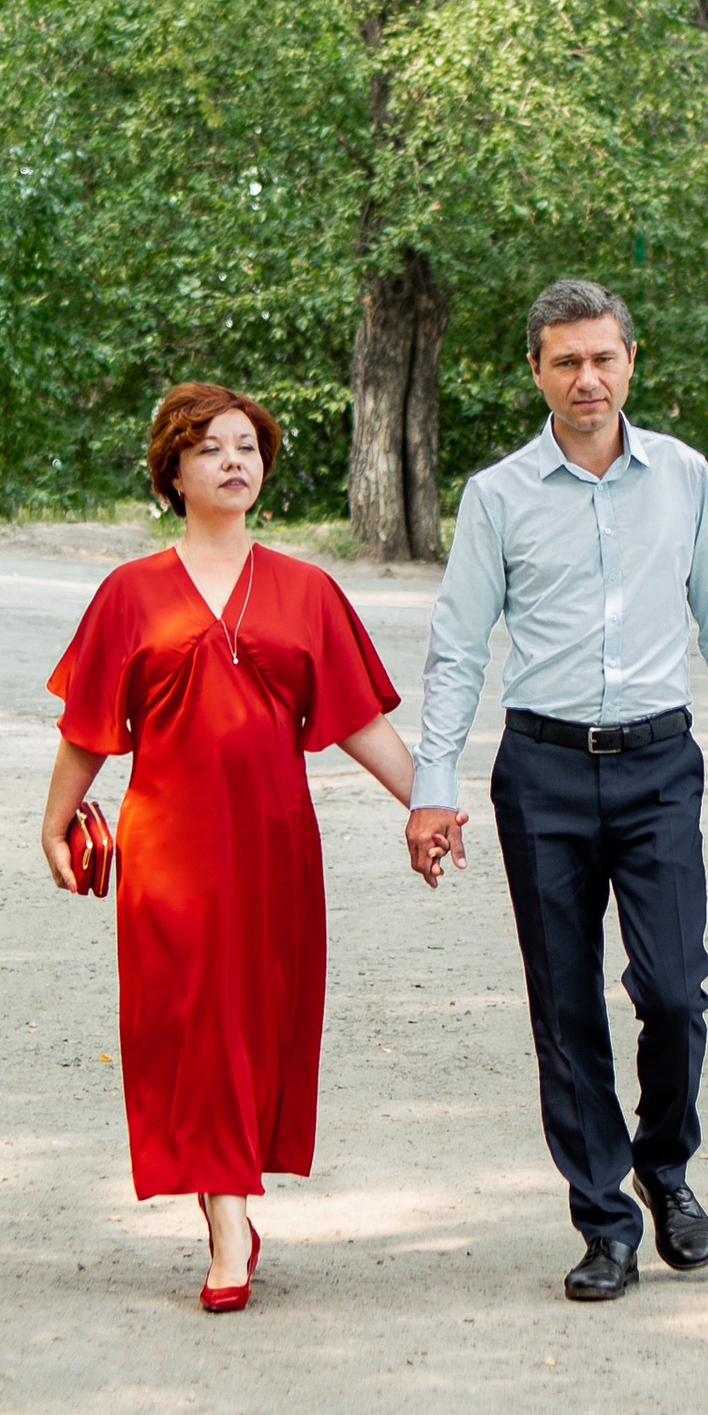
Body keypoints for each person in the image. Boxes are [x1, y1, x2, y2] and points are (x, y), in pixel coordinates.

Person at [405, 280, 708, 1301]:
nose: (587, 378)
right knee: (564, 1005)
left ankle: (665, 1167)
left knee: (672, 992)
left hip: (660, 765)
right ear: (535, 370)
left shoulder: (684, 478)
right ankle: (605, 1219)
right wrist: (430, 787)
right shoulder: (497, 496)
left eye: (603, 357)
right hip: (542, 774)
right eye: (565, 360)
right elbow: (455, 651)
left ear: (630, 360)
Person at [41, 381, 424, 1310]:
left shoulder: (308, 589)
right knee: (195, 1022)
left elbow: (356, 720)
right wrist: (55, 818)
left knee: (256, 1018)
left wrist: (431, 803)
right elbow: (91, 726)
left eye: (248, 446)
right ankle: (223, 1225)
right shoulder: (129, 593)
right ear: (173, 469)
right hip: (168, 846)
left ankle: (235, 1196)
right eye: (211, 447)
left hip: (273, 844)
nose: (234, 461)